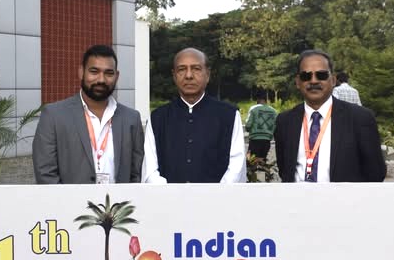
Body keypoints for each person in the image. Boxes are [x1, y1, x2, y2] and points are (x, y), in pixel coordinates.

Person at [32, 45, 144, 184]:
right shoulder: (54, 116)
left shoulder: (131, 119)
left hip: (117, 198)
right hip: (69, 198)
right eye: (94, 71)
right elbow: (45, 174)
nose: (101, 80)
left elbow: (136, 173)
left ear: (116, 76)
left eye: (109, 73)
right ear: (81, 72)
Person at [274, 49, 386, 183]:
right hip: (297, 196)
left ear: (333, 80)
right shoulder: (285, 121)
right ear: (298, 82)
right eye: (306, 76)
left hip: (344, 196)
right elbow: (284, 169)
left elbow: (375, 172)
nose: (313, 81)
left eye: (321, 75)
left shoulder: (360, 118)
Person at [143, 47, 246, 183]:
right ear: (174, 75)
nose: (189, 75)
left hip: (218, 195)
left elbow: (236, 167)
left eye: (196, 69)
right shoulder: (158, 118)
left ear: (207, 74)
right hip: (168, 195)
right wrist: (170, 193)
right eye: (182, 69)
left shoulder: (229, 115)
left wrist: (217, 193)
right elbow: (150, 169)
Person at [245, 91, 277, 161]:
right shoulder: (274, 111)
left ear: (258, 99)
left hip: (255, 140)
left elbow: (248, 125)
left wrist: (248, 130)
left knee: (251, 161)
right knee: (262, 162)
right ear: (266, 100)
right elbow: (275, 126)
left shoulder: (253, 109)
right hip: (267, 141)